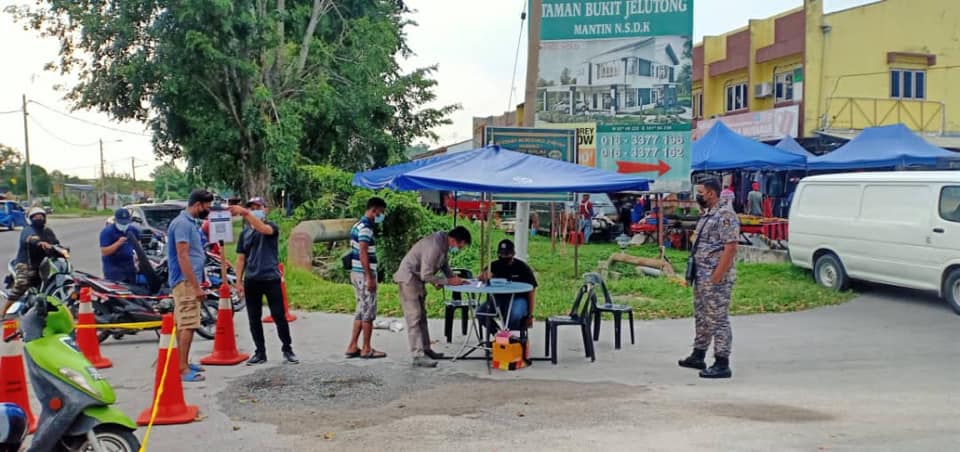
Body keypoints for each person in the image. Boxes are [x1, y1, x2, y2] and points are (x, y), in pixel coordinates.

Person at [679, 177, 739, 379]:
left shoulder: (725, 215)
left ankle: (722, 362)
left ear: (711, 193)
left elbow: (731, 248)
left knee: (718, 318)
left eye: (700, 193)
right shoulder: (707, 214)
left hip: (715, 277)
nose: (698, 196)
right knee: (702, 316)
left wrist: (717, 276)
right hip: (701, 275)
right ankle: (698, 354)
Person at [393, 226, 471, 368]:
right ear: (454, 240)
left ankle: (426, 349)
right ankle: (418, 355)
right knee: (414, 317)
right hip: (409, 279)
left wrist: (454, 278)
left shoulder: (443, 243)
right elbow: (426, 274)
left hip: (417, 279)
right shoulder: (434, 246)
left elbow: (444, 265)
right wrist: (446, 281)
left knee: (422, 316)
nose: (460, 248)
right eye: (461, 245)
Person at [235, 197, 299, 365]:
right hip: (252, 279)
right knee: (253, 318)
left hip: (271, 278)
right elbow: (241, 258)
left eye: (258, 207)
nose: (254, 210)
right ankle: (260, 352)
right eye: (251, 208)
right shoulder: (244, 234)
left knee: (279, 316)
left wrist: (245, 213)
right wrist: (238, 281)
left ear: (265, 209)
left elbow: (262, 229)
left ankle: (287, 349)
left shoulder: (271, 227)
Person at [167, 189, 215, 382]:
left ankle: (183, 362)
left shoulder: (189, 223)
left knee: (185, 323)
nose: (208, 210)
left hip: (188, 280)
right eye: (207, 206)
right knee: (188, 323)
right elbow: (183, 256)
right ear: (197, 205)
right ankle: (182, 369)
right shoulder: (182, 224)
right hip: (185, 282)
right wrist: (196, 287)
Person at [345, 197, 387, 360]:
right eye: (381, 212)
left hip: (356, 272)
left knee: (361, 310)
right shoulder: (366, 228)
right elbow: (363, 253)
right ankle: (367, 348)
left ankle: (353, 345)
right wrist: (370, 277)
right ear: (374, 210)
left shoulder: (357, 225)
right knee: (368, 312)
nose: (381, 216)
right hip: (364, 274)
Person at [2, 208, 59, 314]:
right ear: (31, 219)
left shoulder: (47, 231)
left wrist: (62, 249)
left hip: (41, 264)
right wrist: (40, 243)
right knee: (22, 285)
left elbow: (55, 243)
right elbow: (30, 238)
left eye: (41, 216)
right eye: (36, 217)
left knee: (49, 282)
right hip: (25, 263)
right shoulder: (28, 230)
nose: (39, 219)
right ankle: (3, 311)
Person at [478, 239, 537, 331]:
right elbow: (480, 278)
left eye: (507, 254)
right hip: (498, 298)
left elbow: (532, 291)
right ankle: (497, 333)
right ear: (498, 254)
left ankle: (509, 334)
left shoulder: (522, 268)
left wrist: (530, 315)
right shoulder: (493, 266)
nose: (504, 257)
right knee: (480, 312)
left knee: (515, 314)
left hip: (518, 298)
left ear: (513, 254)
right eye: (502, 254)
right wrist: (483, 277)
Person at [100, 208, 139, 284]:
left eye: (126, 222)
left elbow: (138, 246)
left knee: (132, 288)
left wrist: (138, 260)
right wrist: (118, 243)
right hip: (113, 269)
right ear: (115, 220)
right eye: (121, 223)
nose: (124, 225)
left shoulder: (133, 230)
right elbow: (104, 252)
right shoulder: (107, 232)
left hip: (129, 266)